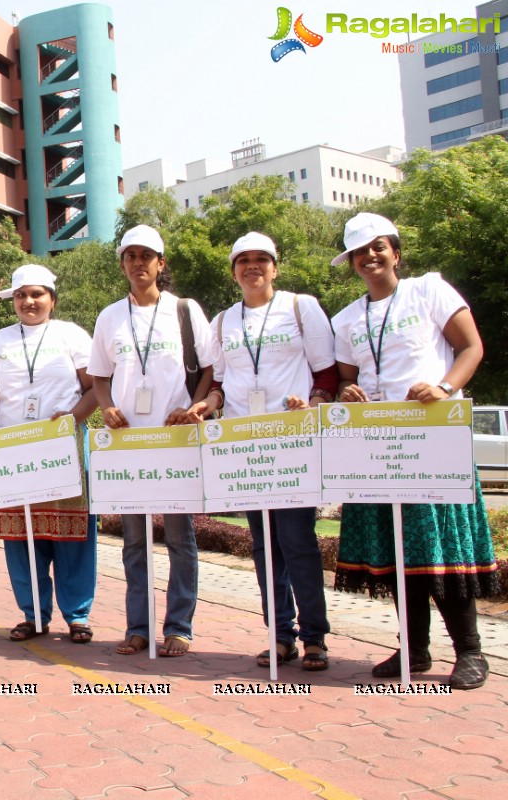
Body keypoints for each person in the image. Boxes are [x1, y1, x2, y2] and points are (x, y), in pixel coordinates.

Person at [330, 212, 498, 690]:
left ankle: (470, 652)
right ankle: (416, 649)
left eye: (379, 247)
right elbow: (346, 378)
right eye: (361, 252)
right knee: (398, 550)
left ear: (396, 253)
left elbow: (471, 349)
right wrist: (347, 391)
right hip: (374, 446)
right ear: (353, 264)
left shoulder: (430, 291)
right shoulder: (347, 319)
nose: (370, 257)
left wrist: (445, 387)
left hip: (431, 440)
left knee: (438, 546)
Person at [198, 232, 338, 670]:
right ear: (233, 271)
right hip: (244, 445)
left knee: (297, 540)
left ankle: (314, 637)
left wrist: (311, 404)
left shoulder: (301, 307)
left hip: (290, 439)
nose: (252, 267)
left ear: (275, 268)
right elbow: (220, 382)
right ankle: (280, 634)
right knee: (263, 545)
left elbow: (327, 374)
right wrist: (208, 403)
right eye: (243, 261)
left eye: (262, 259)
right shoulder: (222, 322)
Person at [89, 225, 214, 658]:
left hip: (174, 440)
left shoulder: (185, 310)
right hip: (127, 444)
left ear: (162, 263)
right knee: (135, 542)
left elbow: (210, 370)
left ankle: (179, 627)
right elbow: (99, 377)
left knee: (180, 539)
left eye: (147, 256)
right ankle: (137, 627)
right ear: (122, 264)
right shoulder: (109, 317)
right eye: (130, 256)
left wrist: (195, 407)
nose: (138, 263)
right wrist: (105, 406)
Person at [0, 264, 98, 643]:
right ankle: (33, 615)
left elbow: (96, 389)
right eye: (21, 295)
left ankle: (77, 616)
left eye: (37, 294)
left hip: (64, 448)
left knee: (72, 536)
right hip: (13, 452)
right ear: (12, 301)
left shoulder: (72, 336)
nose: (29, 302)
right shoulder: (0, 341)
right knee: (21, 536)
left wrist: (74, 417)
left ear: (52, 299)